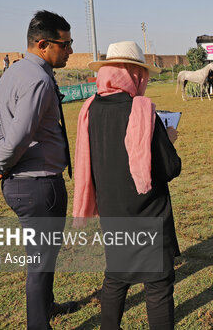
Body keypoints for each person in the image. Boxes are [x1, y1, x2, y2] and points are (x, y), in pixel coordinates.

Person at [0, 10, 77, 329]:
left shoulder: (15, 72)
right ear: (43, 44)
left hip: (25, 184)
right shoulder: (38, 79)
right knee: (40, 263)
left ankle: (47, 306)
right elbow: (20, 135)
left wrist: (1, 162)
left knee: (42, 259)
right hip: (39, 186)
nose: (70, 50)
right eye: (66, 43)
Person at [73, 41, 181, 330]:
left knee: (116, 278)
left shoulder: (89, 108)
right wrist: (168, 141)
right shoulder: (142, 110)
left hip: (112, 210)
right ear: (135, 73)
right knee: (157, 285)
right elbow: (170, 168)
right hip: (148, 212)